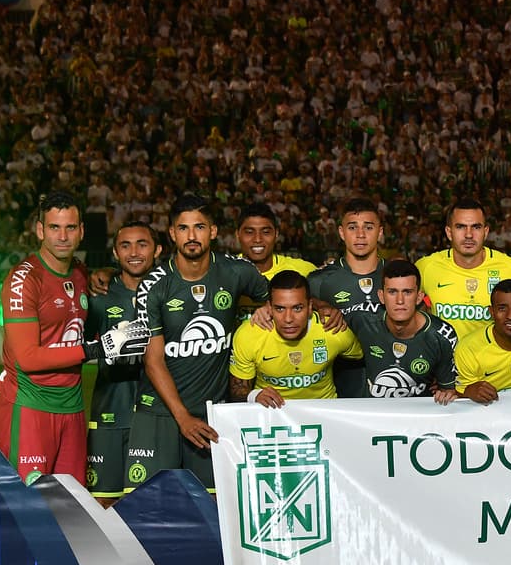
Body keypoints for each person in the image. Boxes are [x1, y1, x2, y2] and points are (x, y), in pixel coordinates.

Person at [0, 193, 147, 484]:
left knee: (72, 502)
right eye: (54, 227)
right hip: (30, 408)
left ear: (81, 231)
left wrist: (107, 273)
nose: (63, 237)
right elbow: (28, 358)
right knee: (27, 503)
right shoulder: (23, 280)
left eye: (70, 227)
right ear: (40, 230)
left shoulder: (79, 272)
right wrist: (97, 349)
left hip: (74, 407)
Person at [125, 193, 269, 494]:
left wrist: (268, 307)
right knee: (149, 507)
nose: (192, 236)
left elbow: (282, 298)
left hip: (210, 414)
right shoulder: (154, 286)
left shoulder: (236, 271)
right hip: (160, 413)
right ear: (172, 233)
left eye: (199, 227)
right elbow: (153, 361)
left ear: (213, 231)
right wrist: (182, 417)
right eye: (183, 228)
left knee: (213, 507)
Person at [86, 220, 162, 504]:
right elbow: (80, 347)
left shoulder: (170, 291)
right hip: (109, 412)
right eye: (125, 245)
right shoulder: (99, 298)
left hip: (158, 416)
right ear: (115, 253)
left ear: (157, 250)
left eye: (142, 244)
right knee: (104, 502)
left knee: (151, 504)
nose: (134, 252)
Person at [228, 270, 362, 406]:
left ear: (310, 307)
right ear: (269, 308)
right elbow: (237, 390)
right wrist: (254, 396)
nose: (288, 319)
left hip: (324, 411)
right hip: (271, 411)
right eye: (280, 309)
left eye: (297, 308)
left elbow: (365, 360)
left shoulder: (333, 330)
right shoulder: (249, 335)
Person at [348, 258, 458, 401]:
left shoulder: (442, 336)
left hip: (418, 414)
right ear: (381, 296)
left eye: (407, 292)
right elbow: (327, 318)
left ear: (419, 297)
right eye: (392, 292)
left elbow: (449, 391)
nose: (400, 301)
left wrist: (446, 394)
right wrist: (322, 306)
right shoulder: (361, 318)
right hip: (370, 412)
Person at [418, 197, 511, 341]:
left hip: (492, 355)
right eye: (460, 227)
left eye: (476, 227)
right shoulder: (426, 267)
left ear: (486, 232)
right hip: (444, 355)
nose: (469, 235)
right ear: (449, 232)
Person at [307, 198, 385, 396]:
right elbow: (292, 307)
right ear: (342, 233)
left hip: (393, 388)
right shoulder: (320, 280)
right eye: (352, 227)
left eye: (368, 227)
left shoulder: (398, 276)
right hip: (342, 389)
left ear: (380, 232)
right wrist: (317, 304)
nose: (360, 235)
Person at [236, 201, 318, 280]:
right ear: (237, 234)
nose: (258, 239)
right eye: (249, 232)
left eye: (266, 232)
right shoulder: (228, 273)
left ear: (276, 234)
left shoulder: (303, 271)